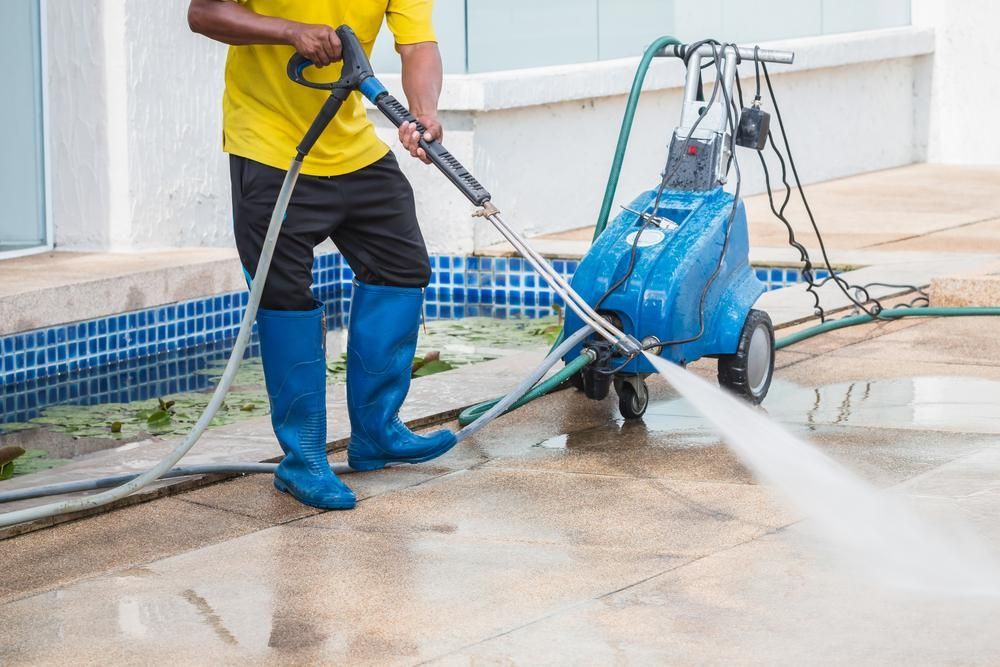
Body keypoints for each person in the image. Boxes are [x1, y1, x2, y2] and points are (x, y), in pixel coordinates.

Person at [188, 0, 454, 510]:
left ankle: (376, 433)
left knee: (402, 268)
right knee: (283, 296)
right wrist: (290, 32)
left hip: (353, 144)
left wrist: (423, 115)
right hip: (270, 148)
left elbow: (417, 43)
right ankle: (302, 460)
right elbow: (204, 13)